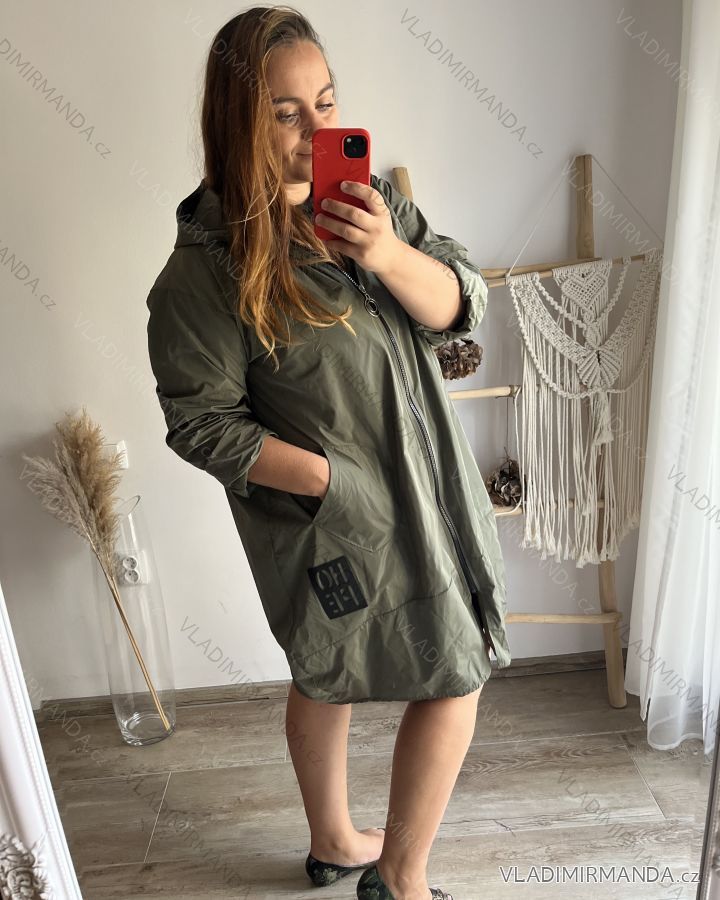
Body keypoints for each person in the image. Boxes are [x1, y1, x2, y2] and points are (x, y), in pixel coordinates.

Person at [145, 6, 512, 899]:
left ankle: (337, 839)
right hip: (334, 520)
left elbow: (461, 303)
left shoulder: (368, 205)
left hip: (430, 488)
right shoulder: (206, 271)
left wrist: (385, 251)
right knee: (435, 674)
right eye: (285, 113)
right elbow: (202, 423)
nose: (316, 130)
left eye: (327, 102)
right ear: (237, 121)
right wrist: (326, 483)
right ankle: (400, 878)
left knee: (335, 671)